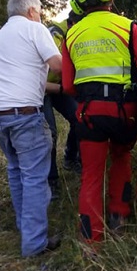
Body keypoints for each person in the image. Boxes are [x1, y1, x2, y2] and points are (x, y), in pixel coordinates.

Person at [61, 0, 137, 244]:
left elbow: (68, 86)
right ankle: (119, 217)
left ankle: (91, 240)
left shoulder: (71, 34)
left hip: (88, 114)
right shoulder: (127, 26)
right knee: (121, 158)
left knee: (91, 173)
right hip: (124, 112)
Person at [0, 0, 62, 257]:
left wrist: (59, 91)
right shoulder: (35, 29)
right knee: (35, 176)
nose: (39, 15)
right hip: (23, 113)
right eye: (39, 11)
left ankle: (23, 225)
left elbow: (21, 76)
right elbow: (59, 64)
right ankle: (35, 245)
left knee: (16, 168)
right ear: (31, 11)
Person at [44, 15, 82, 200]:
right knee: (50, 132)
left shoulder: (77, 33)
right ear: (71, 24)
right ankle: (51, 180)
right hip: (40, 89)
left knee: (79, 117)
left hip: (59, 86)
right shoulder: (54, 35)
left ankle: (70, 158)